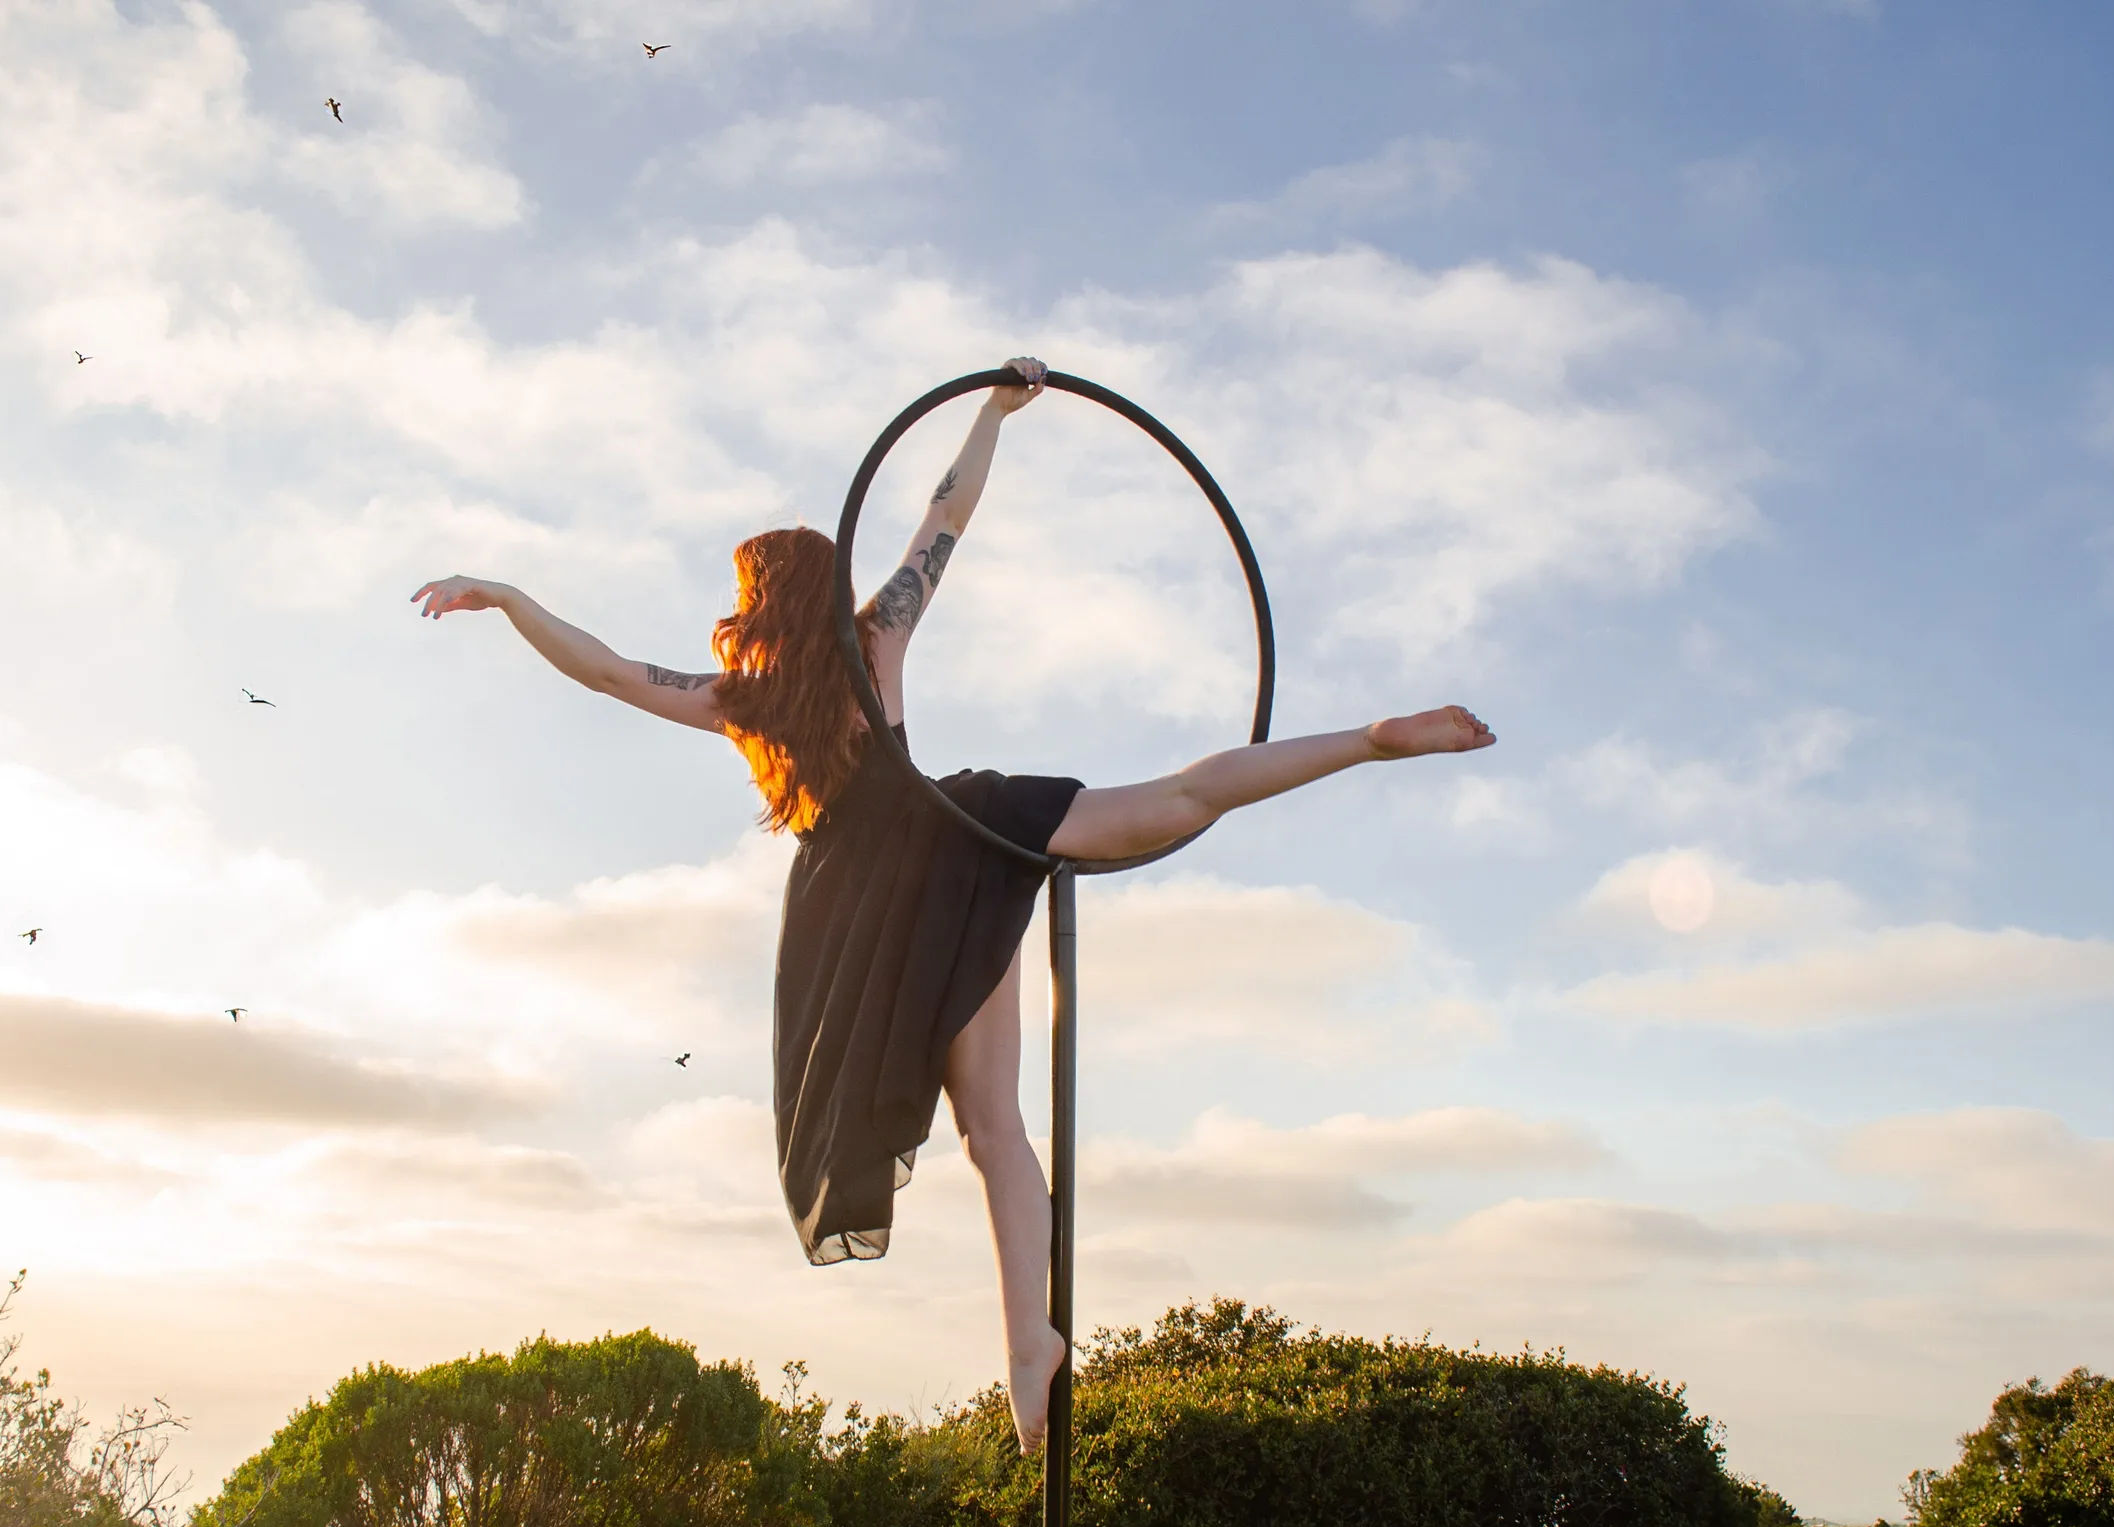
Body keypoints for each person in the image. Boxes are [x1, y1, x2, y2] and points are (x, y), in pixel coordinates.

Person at [412, 357, 1495, 1454]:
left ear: (753, 607)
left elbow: (601, 669)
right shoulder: (876, 631)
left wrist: (506, 598)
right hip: (954, 837)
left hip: (857, 911)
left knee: (981, 1125)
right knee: (1157, 823)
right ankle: (1365, 741)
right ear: (826, 590)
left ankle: (1029, 1346)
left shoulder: (743, 700)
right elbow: (946, 516)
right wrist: (992, 413)